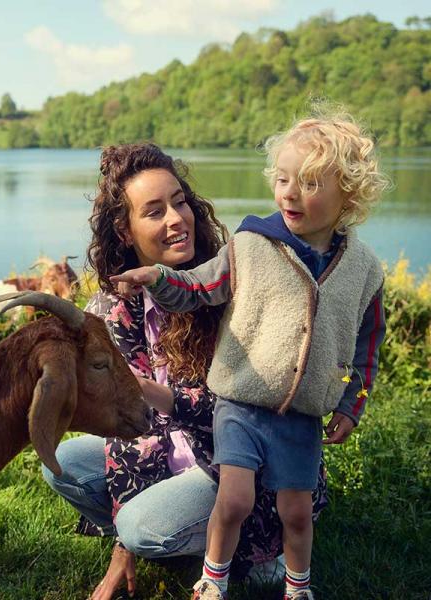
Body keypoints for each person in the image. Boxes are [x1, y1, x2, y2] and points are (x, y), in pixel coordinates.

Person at [111, 113, 389, 600]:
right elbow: (199, 287)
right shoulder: (250, 245)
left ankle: (296, 586)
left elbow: (367, 350)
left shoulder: (364, 271)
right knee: (234, 499)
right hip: (239, 404)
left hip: (302, 416)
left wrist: (350, 405)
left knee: (297, 513)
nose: (289, 193)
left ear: (348, 192)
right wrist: (158, 279)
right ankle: (212, 580)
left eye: (308, 183)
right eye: (282, 180)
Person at [42, 142, 328, 599]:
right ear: (124, 229)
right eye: (154, 211)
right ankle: (187, 539)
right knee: (63, 464)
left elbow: (258, 398)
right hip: (170, 453)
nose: (177, 219)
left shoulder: (227, 282)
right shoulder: (112, 309)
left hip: (244, 458)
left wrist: (161, 398)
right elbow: (126, 428)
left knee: (141, 527)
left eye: (179, 202)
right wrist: (123, 545)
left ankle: (258, 548)